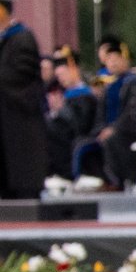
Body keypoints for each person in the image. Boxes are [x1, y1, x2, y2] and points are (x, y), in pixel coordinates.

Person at [91, 38, 136, 190]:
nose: (113, 63)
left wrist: (115, 128)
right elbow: (101, 114)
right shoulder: (109, 86)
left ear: (126, 60)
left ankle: (118, 181)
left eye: (117, 58)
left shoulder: (135, 83)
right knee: (85, 143)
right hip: (116, 130)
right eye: (109, 59)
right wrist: (102, 128)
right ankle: (105, 180)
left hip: (132, 132)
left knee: (112, 139)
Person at [0, 0, 43, 199]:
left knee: (22, 167)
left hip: (20, 114)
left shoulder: (23, 38)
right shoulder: (6, 38)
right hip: (6, 113)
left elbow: (22, 73)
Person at [45, 52, 97, 182]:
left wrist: (60, 110)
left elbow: (81, 124)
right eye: (58, 76)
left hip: (80, 134)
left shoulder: (86, 94)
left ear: (73, 70)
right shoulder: (67, 95)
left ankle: (65, 175)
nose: (61, 79)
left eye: (63, 74)